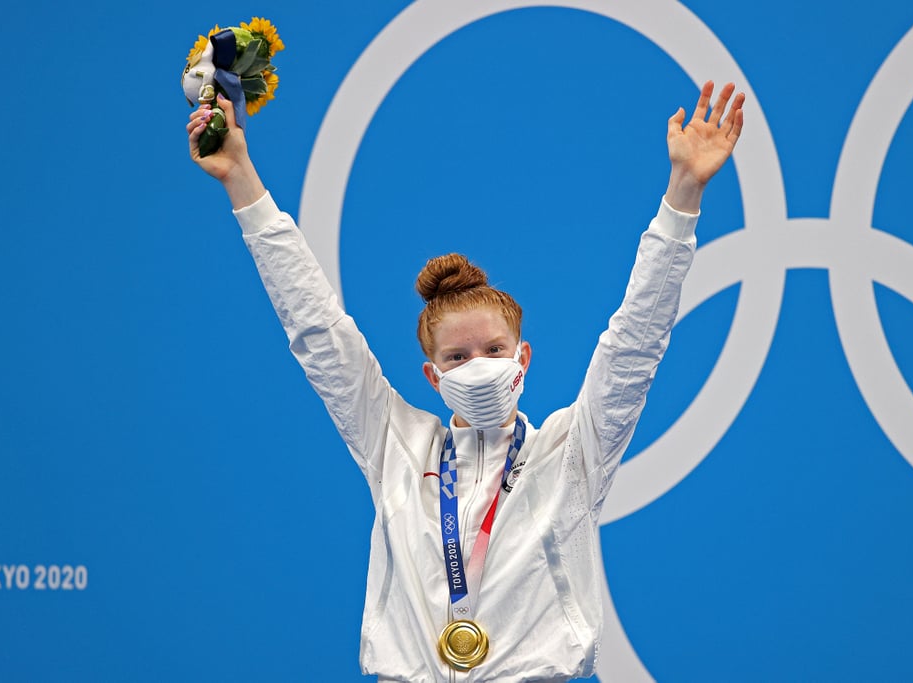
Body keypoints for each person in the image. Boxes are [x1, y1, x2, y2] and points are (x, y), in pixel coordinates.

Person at [187, 80, 743, 682]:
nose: (477, 365)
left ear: (522, 358)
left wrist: (683, 196)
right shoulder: (394, 441)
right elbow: (318, 330)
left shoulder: (573, 451)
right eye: (457, 357)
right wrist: (243, 180)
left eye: (493, 349)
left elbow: (634, 343)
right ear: (431, 375)